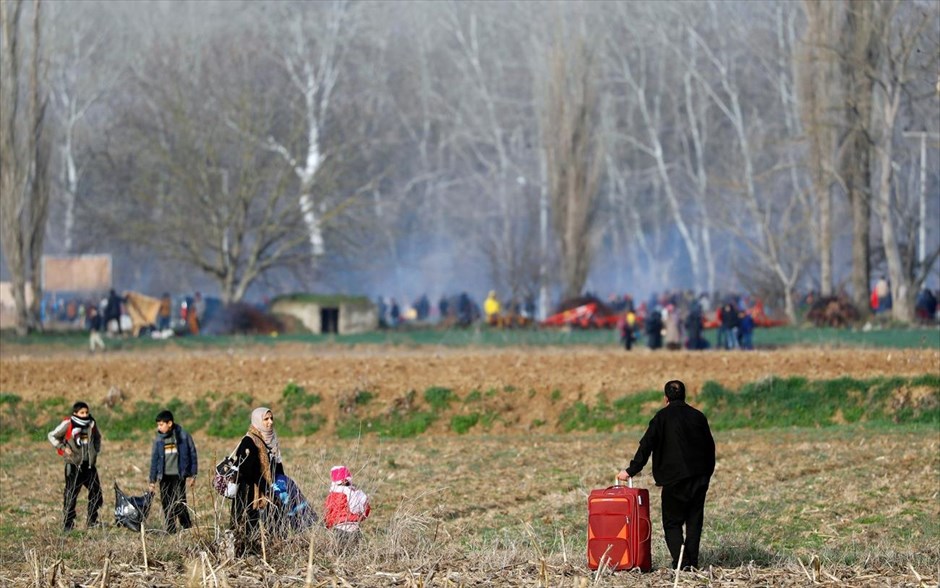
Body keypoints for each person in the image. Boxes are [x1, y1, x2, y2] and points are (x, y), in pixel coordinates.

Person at [617, 380, 715, 571]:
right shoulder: (698, 417)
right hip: (699, 477)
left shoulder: (661, 418)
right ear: (684, 395)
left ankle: (682, 564)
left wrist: (630, 471)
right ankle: (692, 563)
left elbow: (646, 445)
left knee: (672, 523)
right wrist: (706, 474)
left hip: (674, 480)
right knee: (694, 521)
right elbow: (710, 447)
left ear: (666, 398)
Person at [231, 407, 285, 555]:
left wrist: (280, 487)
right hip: (248, 492)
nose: (270, 422)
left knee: (273, 521)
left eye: (271, 418)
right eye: (266, 419)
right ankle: (241, 553)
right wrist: (267, 489)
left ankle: (269, 550)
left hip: (269, 489)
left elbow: (278, 465)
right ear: (257, 421)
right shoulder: (249, 441)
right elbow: (248, 471)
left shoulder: (272, 440)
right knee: (245, 524)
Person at [48, 401, 103, 531]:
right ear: (75, 413)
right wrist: (62, 448)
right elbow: (52, 435)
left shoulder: (92, 424)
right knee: (71, 495)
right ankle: (68, 524)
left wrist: (95, 451)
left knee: (97, 493)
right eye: (82, 412)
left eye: (86, 412)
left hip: (89, 466)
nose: (85, 415)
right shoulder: (68, 423)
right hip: (73, 466)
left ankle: (92, 521)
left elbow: (97, 438)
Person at [148, 410, 198, 534]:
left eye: (161, 424)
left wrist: (192, 474)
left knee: (180, 502)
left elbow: (192, 454)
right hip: (164, 476)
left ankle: (186, 527)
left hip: (178, 475)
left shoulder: (183, 436)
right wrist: (152, 480)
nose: (158, 427)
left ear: (169, 423)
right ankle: (171, 530)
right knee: (166, 503)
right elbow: (154, 460)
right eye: (158, 425)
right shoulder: (159, 439)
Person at [324, 465, 371, 554]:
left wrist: (328, 526)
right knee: (355, 552)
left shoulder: (331, 496)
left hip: (338, 529)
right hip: (353, 528)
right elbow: (360, 509)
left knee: (339, 552)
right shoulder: (353, 492)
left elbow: (328, 513)